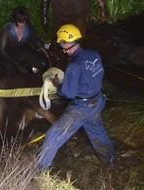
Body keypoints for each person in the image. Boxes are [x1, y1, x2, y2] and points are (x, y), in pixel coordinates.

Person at [37, 24, 114, 170]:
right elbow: (98, 75)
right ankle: (110, 161)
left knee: (53, 136)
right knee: (97, 132)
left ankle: (39, 172)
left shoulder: (73, 67)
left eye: (62, 44)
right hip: (97, 101)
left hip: (81, 108)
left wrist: (58, 85)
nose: (62, 48)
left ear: (66, 43)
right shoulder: (94, 54)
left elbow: (68, 94)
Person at [41, 0, 108, 70]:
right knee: (58, 36)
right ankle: (56, 58)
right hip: (59, 9)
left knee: (76, 37)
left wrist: (102, 6)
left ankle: (73, 64)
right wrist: (44, 14)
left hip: (78, 8)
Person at [0, 7, 50, 75]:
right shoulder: (7, 29)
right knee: (11, 77)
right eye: (20, 22)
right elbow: (3, 51)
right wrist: (17, 64)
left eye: (24, 21)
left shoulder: (28, 26)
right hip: (10, 57)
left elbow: (36, 41)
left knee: (44, 64)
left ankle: (31, 69)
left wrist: (47, 55)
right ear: (15, 20)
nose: (23, 24)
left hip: (24, 52)